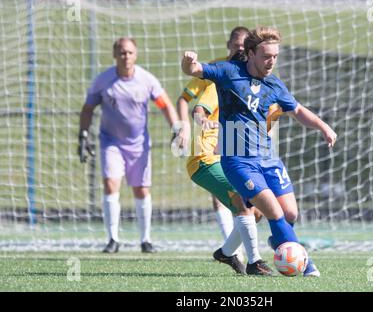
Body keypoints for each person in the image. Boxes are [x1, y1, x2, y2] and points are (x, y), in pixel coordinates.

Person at [181, 26, 337, 277]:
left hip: (267, 156)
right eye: (266, 56)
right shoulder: (229, 72)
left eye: (275, 56)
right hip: (238, 160)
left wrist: (323, 127)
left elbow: (296, 110)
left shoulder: (273, 83)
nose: (271, 61)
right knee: (272, 213)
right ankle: (305, 265)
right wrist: (188, 62)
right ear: (251, 53)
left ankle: (272, 243)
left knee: (289, 214)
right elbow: (195, 71)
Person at [175, 27, 272, 276]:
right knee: (241, 203)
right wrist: (199, 123)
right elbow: (199, 108)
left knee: (258, 210)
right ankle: (255, 262)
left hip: (232, 158)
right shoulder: (222, 81)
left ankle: (226, 253)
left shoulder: (255, 88)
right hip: (204, 159)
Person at [78, 37, 179, 253]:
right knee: (110, 184)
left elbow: (165, 105)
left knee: (141, 189)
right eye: (122, 52)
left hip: (139, 144)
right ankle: (113, 239)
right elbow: (87, 108)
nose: (126, 57)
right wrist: (83, 135)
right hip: (110, 142)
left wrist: (176, 129)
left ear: (136, 55)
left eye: (130, 52)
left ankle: (145, 239)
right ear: (115, 55)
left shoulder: (147, 80)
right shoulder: (103, 80)